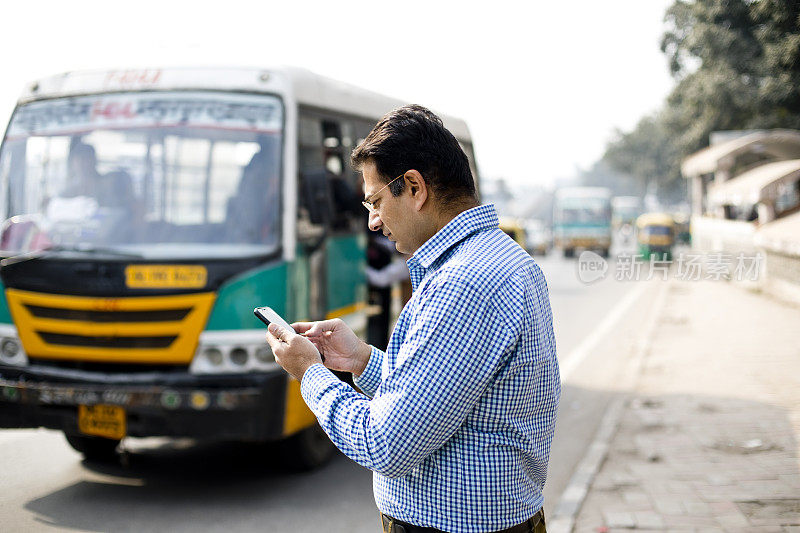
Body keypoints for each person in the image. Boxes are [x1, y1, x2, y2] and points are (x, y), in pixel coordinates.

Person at [265, 105, 560, 533]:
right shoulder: (503, 259)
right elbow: (449, 396)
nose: (373, 221)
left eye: (377, 201)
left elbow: (386, 443)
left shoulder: (462, 284)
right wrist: (362, 361)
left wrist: (309, 372)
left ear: (415, 187)